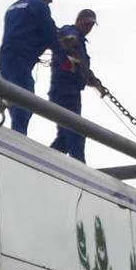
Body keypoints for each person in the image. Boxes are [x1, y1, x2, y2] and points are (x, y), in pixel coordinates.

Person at [0, 0, 72, 135]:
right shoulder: (39, 6)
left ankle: (17, 133)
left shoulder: (13, 6)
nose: (51, 0)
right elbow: (50, 34)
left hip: (5, 58)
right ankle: (19, 138)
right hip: (20, 59)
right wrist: (64, 59)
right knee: (25, 100)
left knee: (14, 98)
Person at [46, 9, 104, 161]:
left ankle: (44, 160)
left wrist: (96, 84)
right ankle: (80, 167)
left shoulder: (81, 46)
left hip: (72, 93)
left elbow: (83, 70)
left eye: (91, 25)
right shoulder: (71, 31)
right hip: (63, 92)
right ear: (78, 21)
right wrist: (69, 39)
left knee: (66, 138)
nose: (88, 28)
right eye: (86, 24)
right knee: (76, 131)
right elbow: (67, 33)